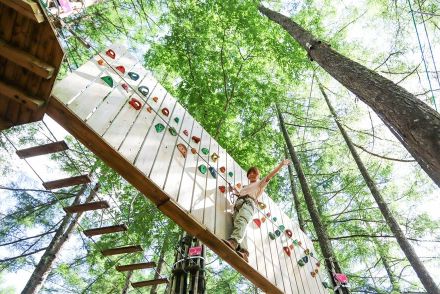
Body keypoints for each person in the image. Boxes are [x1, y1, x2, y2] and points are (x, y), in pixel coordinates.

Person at [222, 159, 291, 262]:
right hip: (238, 205)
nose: (251, 175)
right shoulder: (246, 187)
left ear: (258, 175)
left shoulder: (260, 183)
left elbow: (270, 175)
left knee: (242, 221)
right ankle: (244, 251)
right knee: (240, 226)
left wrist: (281, 165)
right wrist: (235, 191)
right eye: (250, 173)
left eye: (254, 173)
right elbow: (241, 194)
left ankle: (234, 242)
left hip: (248, 204)